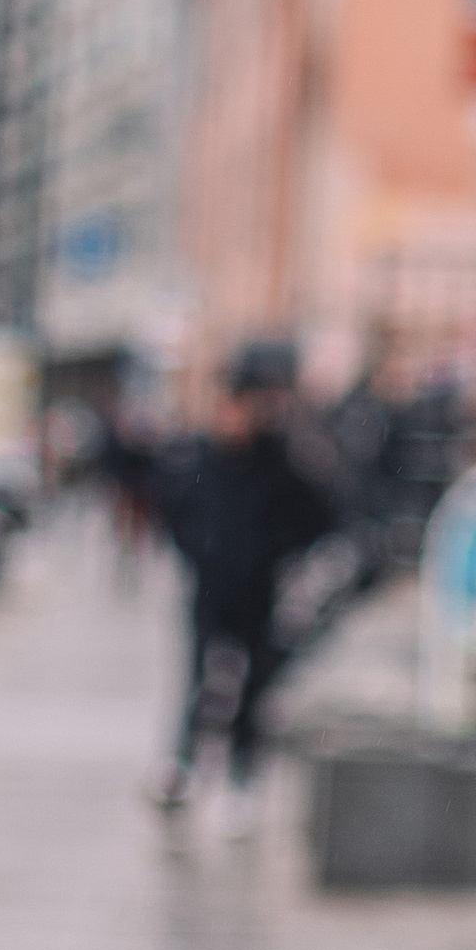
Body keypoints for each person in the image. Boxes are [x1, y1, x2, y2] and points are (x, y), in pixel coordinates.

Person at [150, 339, 337, 816]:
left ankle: (240, 776)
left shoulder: (280, 462)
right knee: (199, 677)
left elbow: (318, 513)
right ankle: (184, 766)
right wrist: (196, 551)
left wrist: (277, 555)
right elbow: (174, 510)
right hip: (210, 586)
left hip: (258, 589)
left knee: (253, 685)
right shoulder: (198, 458)